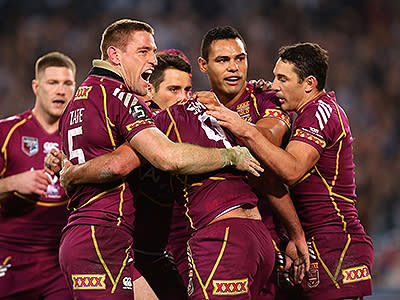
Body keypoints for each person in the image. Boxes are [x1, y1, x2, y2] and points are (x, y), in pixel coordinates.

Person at [57, 19, 261, 300]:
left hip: (97, 237)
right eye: (143, 51)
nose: (152, 59)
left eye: (153, 51)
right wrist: (230, 156)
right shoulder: (121, 97)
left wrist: (71, 173)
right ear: (115, 55)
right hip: (101, 234)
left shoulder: (75, 104)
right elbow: (165, 158)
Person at [201, 42, 374, 300]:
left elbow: (291, 170)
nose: (273, 86)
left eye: (282, 79)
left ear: (309, 83)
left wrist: (244, 128)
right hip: (314, 244)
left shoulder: (320, 111)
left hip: (336, 241)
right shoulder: (305, 113)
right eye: (273, 77)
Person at [194, 25, 308, 299]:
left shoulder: (266, 98)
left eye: (240, 58)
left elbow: (267, 139)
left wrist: (229, 120)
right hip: (210, 240)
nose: (234, 67)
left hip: (269, 241)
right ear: (203, 66)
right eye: (223, 60)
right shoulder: (193, 108)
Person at [0, 52, 75, 299]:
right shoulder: (7, 131)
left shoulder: (81, 138)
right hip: (11, 258)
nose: (60, 91)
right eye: (52, 83)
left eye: (67, 83)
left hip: (58, 263)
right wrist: (12, 182)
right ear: (36, 86)